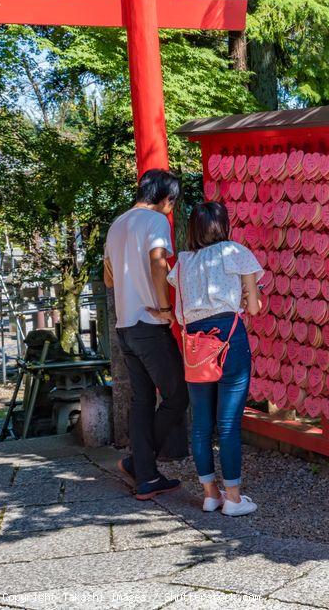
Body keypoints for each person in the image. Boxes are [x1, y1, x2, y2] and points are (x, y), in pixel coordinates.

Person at [162, 201, 263, 516]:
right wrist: (246, 297)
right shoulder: (235, 252)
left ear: (193, 229)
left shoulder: (183, 262)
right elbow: (255, 307)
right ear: (223, 226)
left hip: (195, 344)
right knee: (229, 422)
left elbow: (180, 306)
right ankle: (233, 498)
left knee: (201, 424)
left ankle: (210, 494)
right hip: (229, 338)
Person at [104, 168, 188, 500]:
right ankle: (141, 465)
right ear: (167, 198)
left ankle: (144, 472)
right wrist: (165, 307)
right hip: (150, 325)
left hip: (125, 323)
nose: (172, 208)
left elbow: (108, 277)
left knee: (142, 400)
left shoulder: (117, 224)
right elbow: (158, 262)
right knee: (177, 396)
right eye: (173, 202)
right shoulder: (154, 223)